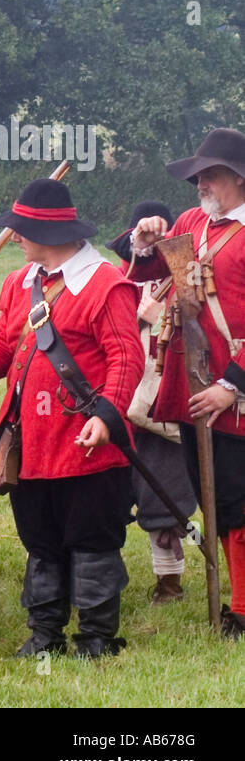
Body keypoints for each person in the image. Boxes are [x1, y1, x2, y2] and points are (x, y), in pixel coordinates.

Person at [0, 178, 142, 656]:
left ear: (45, 231)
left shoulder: (105, 284)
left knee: (91, 540)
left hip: (87, 441)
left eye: (20, 229)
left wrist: (105, 417)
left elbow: (126, 358)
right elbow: (3, 348)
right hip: (33, 441)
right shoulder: (22, 284)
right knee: (41, 542)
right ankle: (45, 636)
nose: (14, 237)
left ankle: (95, 638)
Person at [128, 128, 245, 637]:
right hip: (190, 380)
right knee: (212, 497)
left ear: (238, 178)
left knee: (239, 500)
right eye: (198, 174)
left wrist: (233, 385)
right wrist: (144, 240)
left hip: (232, 391)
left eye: (211, 174)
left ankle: (241, 609)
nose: (200, 182)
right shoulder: (193, 221)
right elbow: (152, 268)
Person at [108, 200, 198, 605]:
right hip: (117, 399)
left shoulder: (188, 280)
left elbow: (205, 336)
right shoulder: (117, 281)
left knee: (163, 495)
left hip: (161, 401)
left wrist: (160, 313)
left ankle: (168, 581)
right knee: (107, 493)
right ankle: (102, 577)